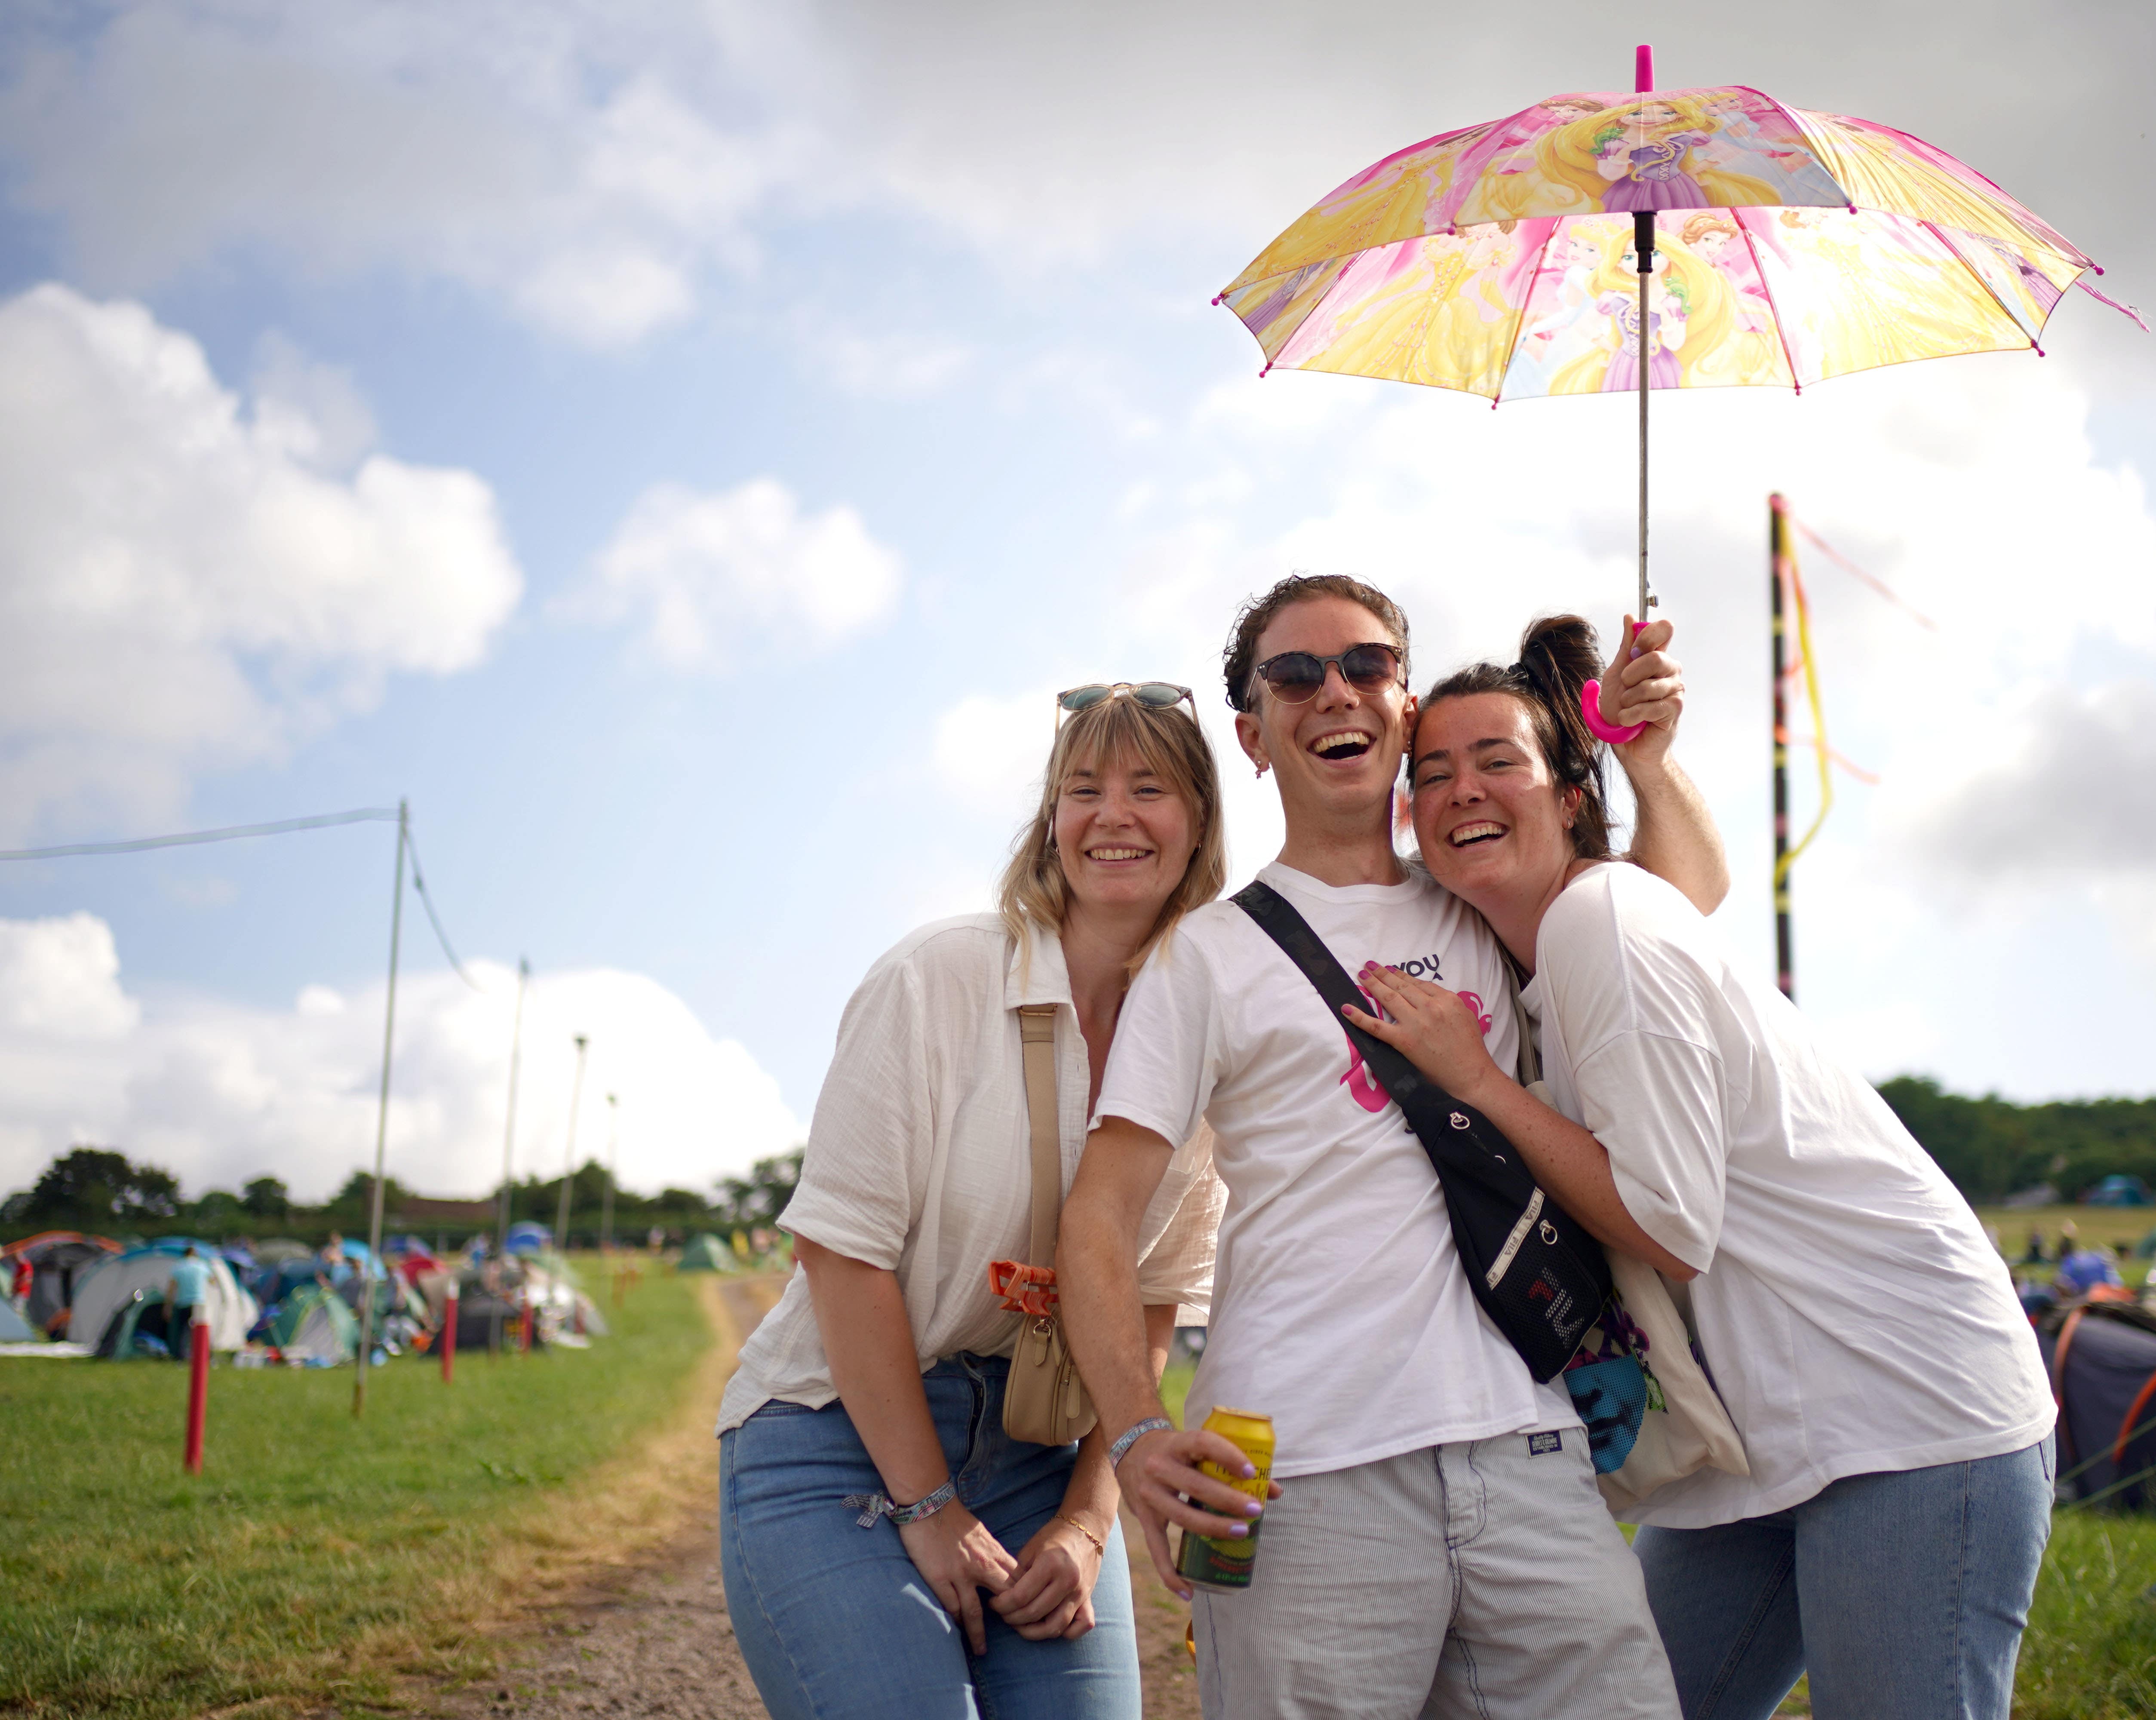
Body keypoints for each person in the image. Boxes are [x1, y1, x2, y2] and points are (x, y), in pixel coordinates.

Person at [1344, 616, 2057, 1720]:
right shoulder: (1557, 936)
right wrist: (1651, 760)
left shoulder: (1602, 922)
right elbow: (1704, 878)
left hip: (1902, 1407)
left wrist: (1480, 1084)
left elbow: (1667, 1224)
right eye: (1430, 772)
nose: (1461, 789)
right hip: (1751, 1443)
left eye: (1498, 760)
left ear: (1569, 794)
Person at [1060, 574, 1724, 1720]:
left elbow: (1677, 908)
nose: (1336, 693)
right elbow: (1100, 1215)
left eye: (1367, 666)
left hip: (1529, 1454)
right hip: (1304, 1473)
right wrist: (1135, 1434)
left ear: (1407, 707)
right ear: (1252, 737)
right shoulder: (1201, 957)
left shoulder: (1482, 897)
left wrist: (1649, 764)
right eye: (1296, 675)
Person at [716, 683, 1231, 1720]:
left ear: (1199, 827)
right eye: (1082, 789)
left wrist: (1090, 1523)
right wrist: (928, 1502)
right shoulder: (935, 977)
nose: (1112, 814)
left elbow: (1150, 1306)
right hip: (838, 1439)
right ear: (1052, 821)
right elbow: (843, 1256)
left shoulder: (1212, 1034)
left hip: (1044, 1459)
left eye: (1149, 788)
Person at [166, 1245, 211, 1360]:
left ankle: (180, 1357)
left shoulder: (178, 1266)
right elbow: (213, 1281)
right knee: (200, 1330)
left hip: (183, 1302)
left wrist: (168, 1306)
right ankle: (204, 1356)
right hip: (199, 1302)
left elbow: (172, 1288)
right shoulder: (202, 1265)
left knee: (182, 1332)